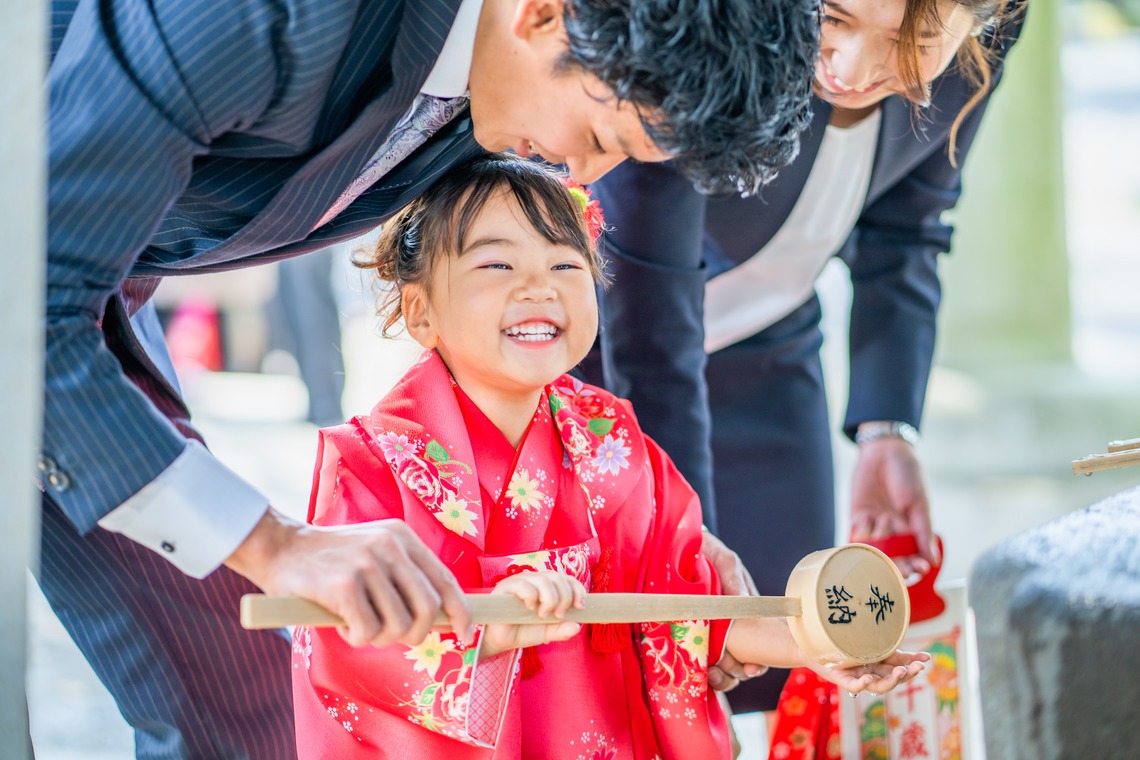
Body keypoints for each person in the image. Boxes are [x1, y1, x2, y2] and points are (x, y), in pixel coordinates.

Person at [41, 0, 820, 754]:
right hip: (39, 261)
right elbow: (33, 293)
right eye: (597, 134)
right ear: (546, 14)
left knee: (238, 700)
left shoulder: (491, 91)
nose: (585, 172)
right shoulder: (279, 12)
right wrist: (274, 544)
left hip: (85, 274)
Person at [291, 153, 928, 758]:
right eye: (497, 266)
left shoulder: (611, 446)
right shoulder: (368, 468)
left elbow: (684, 613)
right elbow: (345, 649)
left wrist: (817, 644)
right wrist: (483, 637)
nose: (539, 288)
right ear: (420, 309)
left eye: (566, 266)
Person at [583, 0, 1025, 713]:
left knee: (793, 660)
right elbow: (651, 318)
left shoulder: (986, 29)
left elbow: (909, 223)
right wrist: (685, 546)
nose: (850, 70)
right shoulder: (708, 28)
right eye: (833, 17)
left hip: (771, 341)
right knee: (638, 678)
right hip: (604, 371)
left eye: (911, 41)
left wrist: (888, 429)